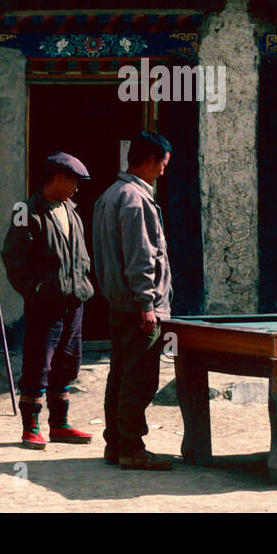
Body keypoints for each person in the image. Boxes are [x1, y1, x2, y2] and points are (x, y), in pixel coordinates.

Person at [91, 131, 175, 471]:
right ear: (149, 161)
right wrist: (147, 304)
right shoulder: (135, 199)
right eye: (162, 165)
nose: (163, 172)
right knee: (139, 378)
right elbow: (141, 257)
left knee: (120, 376)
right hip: (139, 308)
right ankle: (131, 447)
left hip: (119, 305)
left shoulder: (109, 195)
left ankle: (116, 443)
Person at [1, 152, 96, 450]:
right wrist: (37, 290)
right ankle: (31, 427)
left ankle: (60, 425)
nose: (77, 189)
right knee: (38, 363)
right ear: (58, 178)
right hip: (45, 305)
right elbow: (14, 260)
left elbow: (79, 256)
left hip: (74, 303)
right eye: (74, 182)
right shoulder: (26, 211)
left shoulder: (72, 212)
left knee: (67, 363)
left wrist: (82, 283)